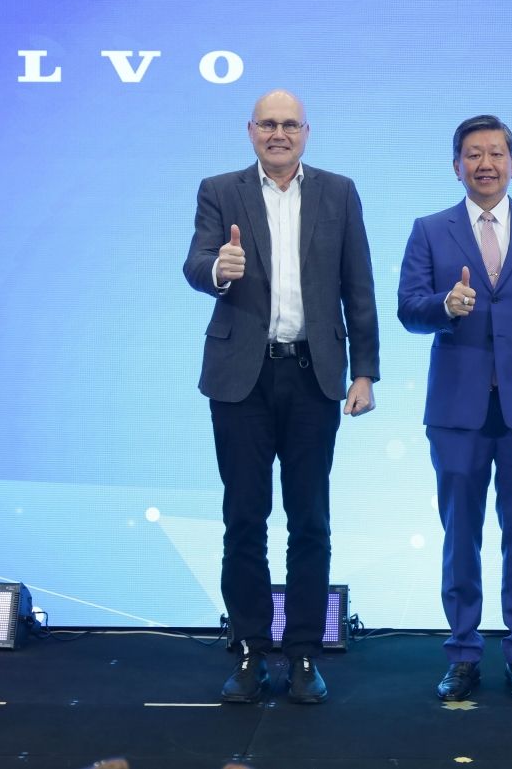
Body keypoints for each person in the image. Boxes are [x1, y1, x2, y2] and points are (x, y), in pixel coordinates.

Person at [184, 89, 380, 704]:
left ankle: (302, 653)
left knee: (310, 521)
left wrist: (365, 371)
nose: (279, 133)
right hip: (240, 380)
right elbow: (195, 263)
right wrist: (218, 270)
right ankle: (249, 650)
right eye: (268, 124)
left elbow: (358, 285)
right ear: (250, 131)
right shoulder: (220, 190)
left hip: (313, 376)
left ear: (306, 132)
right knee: (244, 519)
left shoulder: (339, 192)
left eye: (290, 124)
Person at [398, 115, 512, 703]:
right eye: (473, 154)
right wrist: (444, 305)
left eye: (496, 153)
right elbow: (408, 309)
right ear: (456, 165)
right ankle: (462, 653)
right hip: (457, 410)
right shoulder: (430, 230)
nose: (485, 164)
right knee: (460, 536)